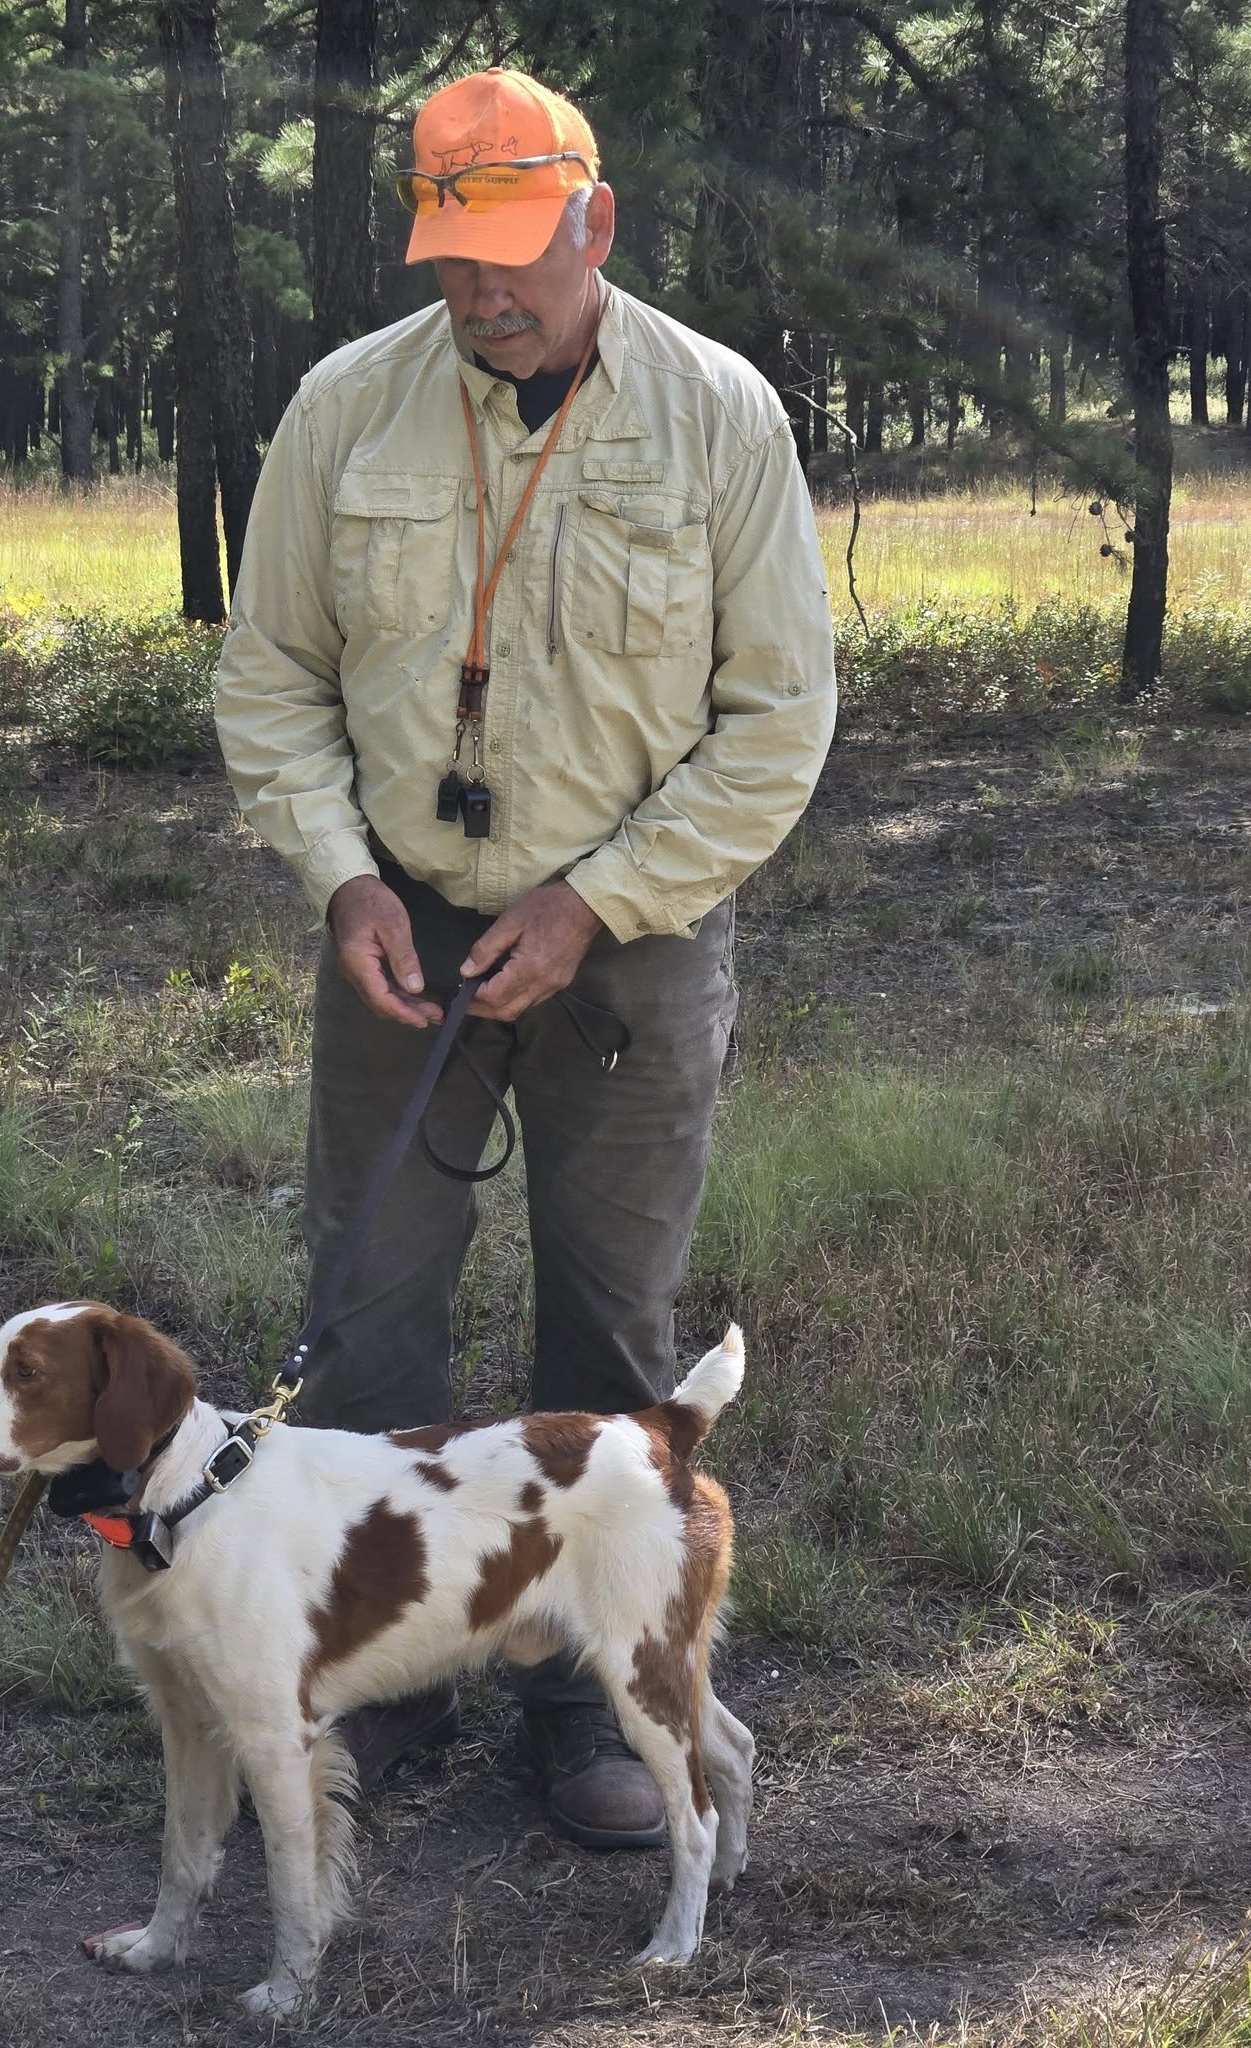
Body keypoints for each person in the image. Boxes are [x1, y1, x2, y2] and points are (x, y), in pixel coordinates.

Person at [214, 65, 836, 1850]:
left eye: (512, 253)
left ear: (596, 222)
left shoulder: (721, 415)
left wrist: (599, 902)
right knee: (369, 1329)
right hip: (400, 929)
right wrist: (346, 880)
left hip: (630, 940)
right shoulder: (346, 409)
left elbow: (777, 720)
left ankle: (583, 1708)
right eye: (451, 257)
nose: (483, 294)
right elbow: (272, 678)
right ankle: (384, 1684)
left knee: (611, 1335)